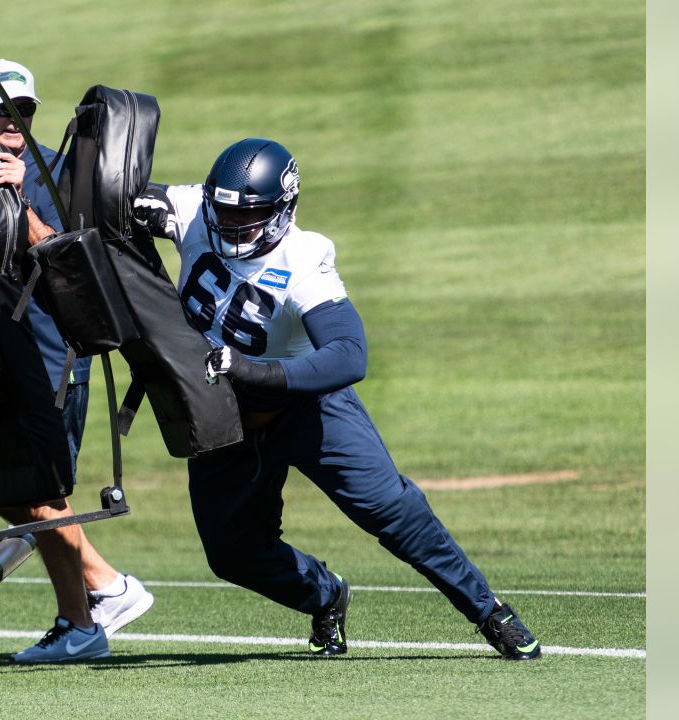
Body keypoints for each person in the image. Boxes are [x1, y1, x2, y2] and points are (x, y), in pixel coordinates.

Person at [130, 138, 541, 660]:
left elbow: (350, 355)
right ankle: (325, 593)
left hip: (306, 407)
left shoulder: (305, 260)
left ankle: (489, 611)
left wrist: (255, 371)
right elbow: (131, 194)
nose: (230, 228)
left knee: (392, 511)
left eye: (247, 218)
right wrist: (129, 198)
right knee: (231, 556)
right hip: (224, 417)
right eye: (223, 213)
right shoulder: (196, 210)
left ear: (283, 211)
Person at [0, 59, 153, 663]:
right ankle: (107, 587)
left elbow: (65, 257)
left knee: (43, 493)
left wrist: (19, 197)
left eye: (25, 110)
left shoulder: (54, 171)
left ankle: (79, 625)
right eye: (4, 111)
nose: (16, 122)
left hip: (53, 353)